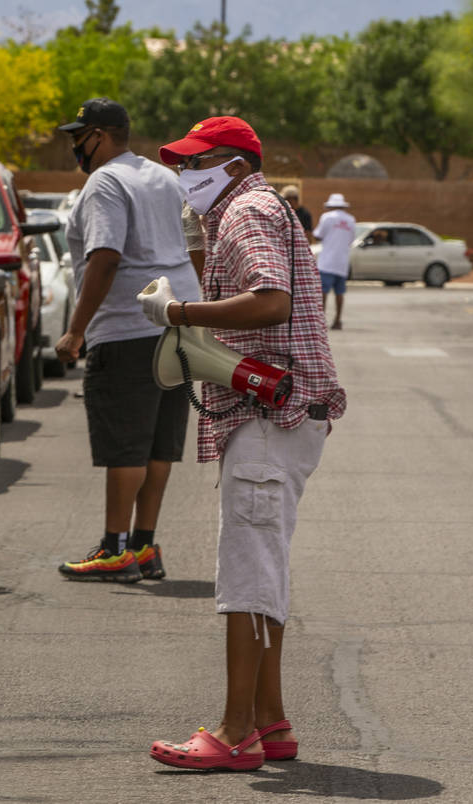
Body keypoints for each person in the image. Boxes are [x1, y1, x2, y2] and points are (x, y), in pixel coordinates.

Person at [136, 116, 346, 771]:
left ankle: (233, 734)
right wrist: (200, 249)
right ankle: (268, 720)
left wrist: (179, 315)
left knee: (248, 577)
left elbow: (268, 301)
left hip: (267, 419)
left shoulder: (247, 209)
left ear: (230, 165)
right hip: (283, 414)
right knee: (266, 570)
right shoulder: (255, 208)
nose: (183, 176)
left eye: (194, 164)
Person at [53, 97, 201, 583]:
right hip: (176, 323)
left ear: (98, 135)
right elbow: (194, 243)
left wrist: (76, 329)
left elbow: (106, 256)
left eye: (79, 136)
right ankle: (145, 546)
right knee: (159, 444)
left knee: (127, 446)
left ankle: (115, 549)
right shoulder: (163, 175)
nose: (75, 145)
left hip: (128, 326)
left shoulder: (106, 182)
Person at [312, 193, 356, 330]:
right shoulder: (351, 220)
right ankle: (337, 320)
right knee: (339, 292)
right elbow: (351, 240)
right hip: (342, 262)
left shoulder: (327, 217)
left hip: (327, 261)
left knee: (323, 292)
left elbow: (318, 235)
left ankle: (321, 320)